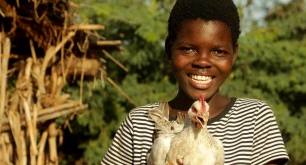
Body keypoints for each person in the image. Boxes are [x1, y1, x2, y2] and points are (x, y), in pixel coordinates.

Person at [101, 0, 289, 164]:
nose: (202, 62)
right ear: (169, 49)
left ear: (234, 54)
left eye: (219, 52)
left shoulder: (254, 119)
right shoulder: (140, 123)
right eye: (188, 49)